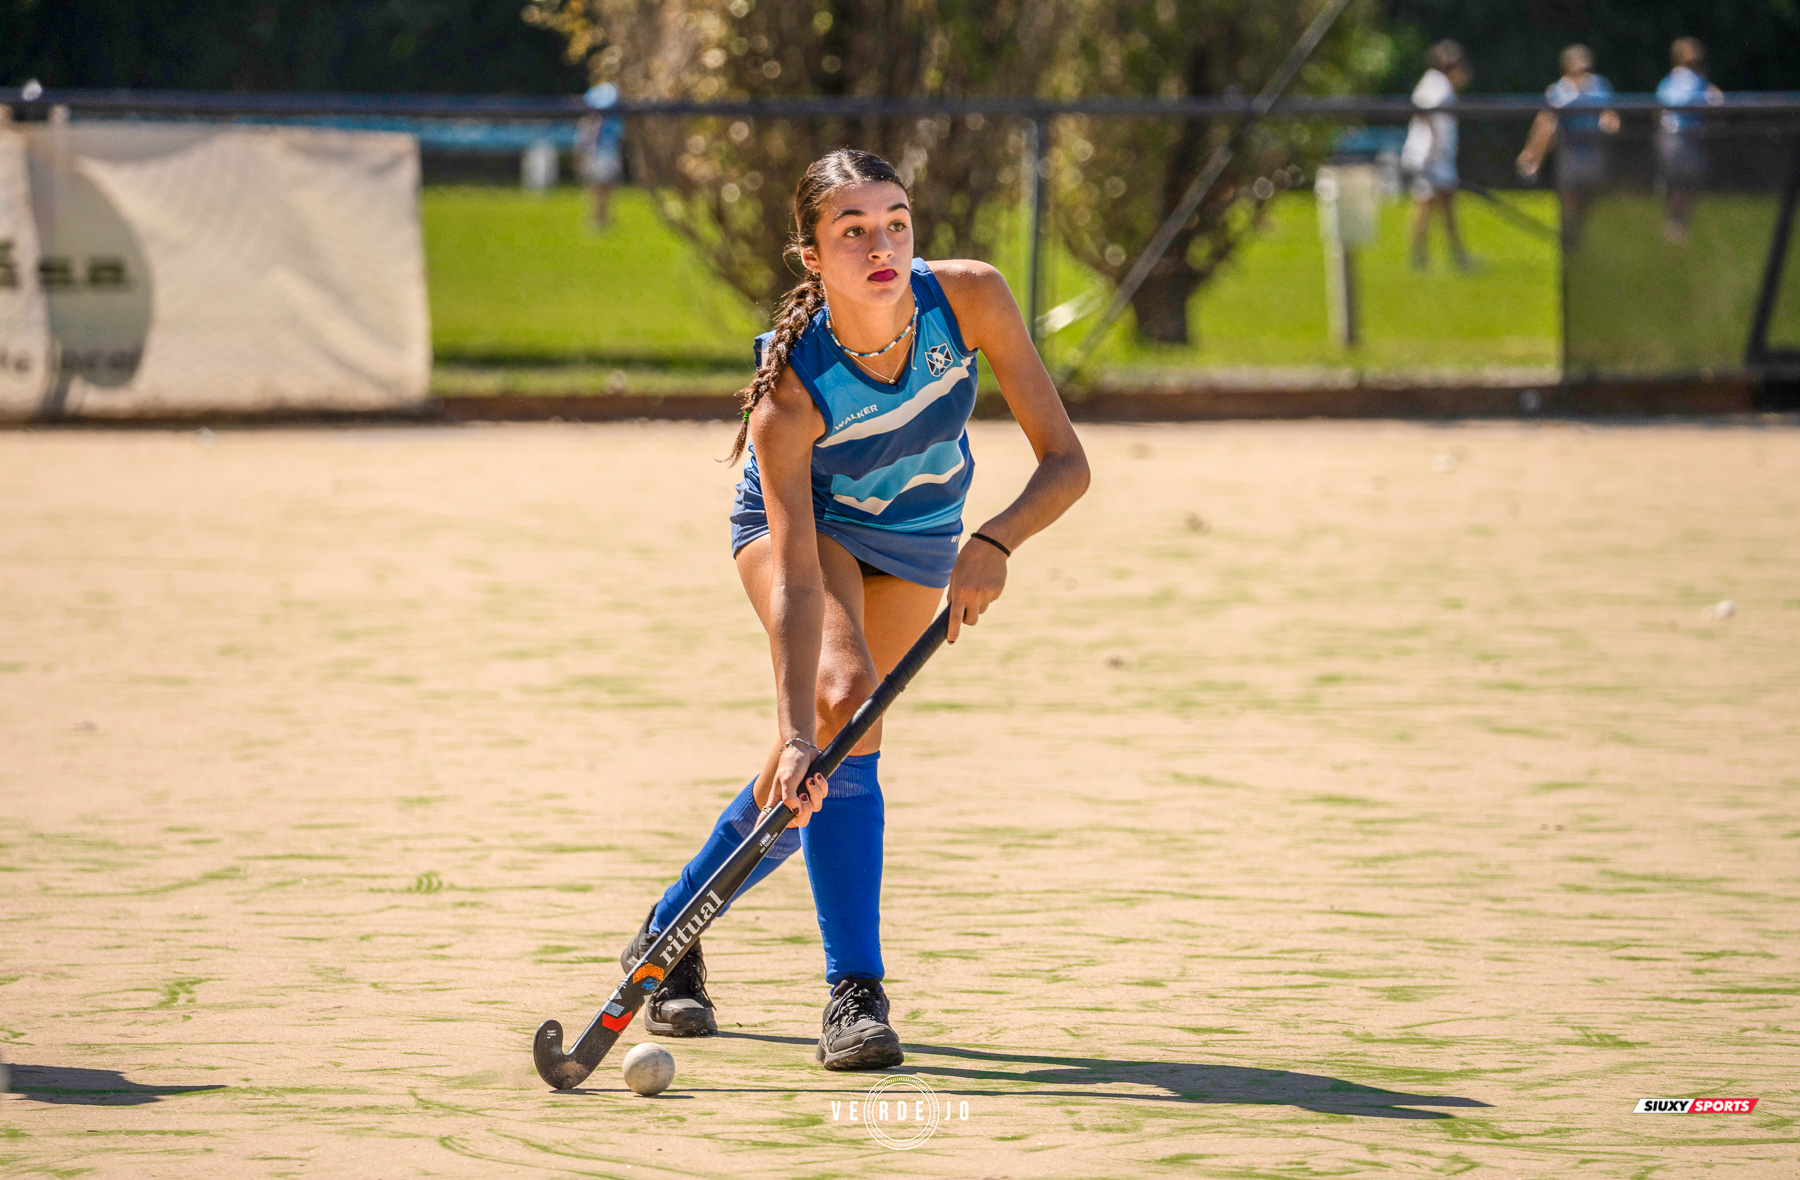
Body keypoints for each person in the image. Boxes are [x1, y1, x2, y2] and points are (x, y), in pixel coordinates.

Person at [617, 149, 1089, 1070]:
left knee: (826, 753)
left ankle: (666, 934)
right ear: (812, 258)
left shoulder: (971, 299)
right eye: (854, 230)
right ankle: (855, 993)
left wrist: (994, 542)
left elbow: (1066, 462)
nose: (884, 245)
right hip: (806, 525)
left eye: (897, 222)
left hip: (919, 533)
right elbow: (795, 578)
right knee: (837, 704)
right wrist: (795, 727)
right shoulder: (792, 394)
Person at [1517, 44, 1620, 249]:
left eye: (1585, 69)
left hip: (1594, 149)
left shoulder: (1600, 86)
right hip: (1571, 151)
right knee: (1570, 198)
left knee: (1593, 197)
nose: (1582, 74)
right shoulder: (1558, 91)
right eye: (1577, 69)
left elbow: (1611, 115)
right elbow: (1545, 123)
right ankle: (1574, 237)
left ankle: (1588, 235)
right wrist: (1532, 152)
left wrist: (1611, 123)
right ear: (1566, 69)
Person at [1401, 40, 1475, 271]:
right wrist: (1432, 147)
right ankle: (1429, 257)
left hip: (1433, 156)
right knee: (1427, 205)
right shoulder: (1438, 84)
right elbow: (1426, 112)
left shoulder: (1436, 82)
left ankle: (1448, 256)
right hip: (1431, 157)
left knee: (1442, 206)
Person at [1656, 37, 1725, 244]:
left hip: (1694, 138)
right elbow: (1669, 104)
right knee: (1676, 181)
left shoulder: (1700, 81)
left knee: (1692, 181)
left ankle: (1682, 223)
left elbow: (1716, 103)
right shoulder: (1672, 80)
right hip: (1675, 137)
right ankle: (1673, 223)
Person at [575, 83, 625, 229]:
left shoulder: (609, 121)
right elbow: (583, 143)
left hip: (604, 156)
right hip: (599, 156)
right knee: (599, 190)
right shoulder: (596, 122)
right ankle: (599, 219)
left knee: (602, 190)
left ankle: (601, 218)